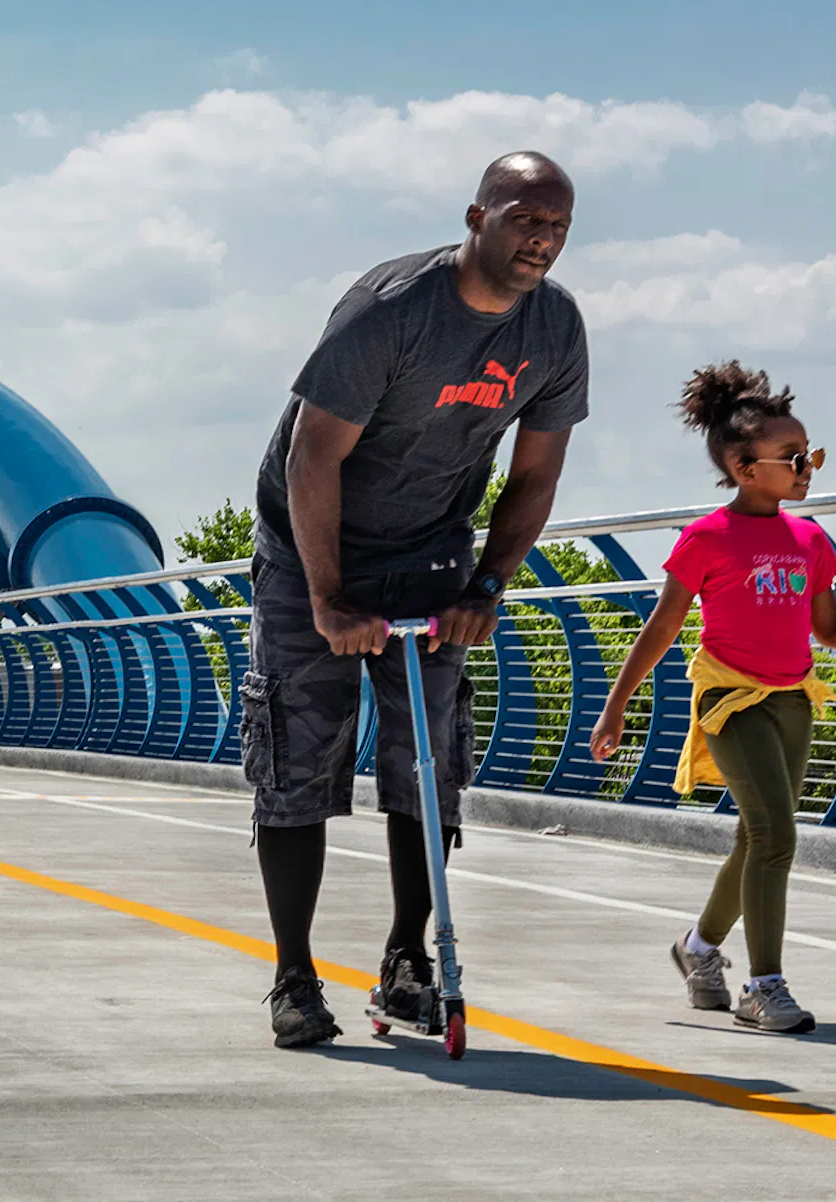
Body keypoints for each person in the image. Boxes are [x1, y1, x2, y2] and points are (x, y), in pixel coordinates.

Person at [248, 153, 589, 1049]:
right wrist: (325, 599)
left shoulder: (552, 329)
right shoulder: (392, 309)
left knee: (426, 762)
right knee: (296, 760)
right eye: (524, 220)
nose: (541, 240)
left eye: (556, 226)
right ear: (477, 216)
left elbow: (536, 473)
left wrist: (487, 586)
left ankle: (409, 961)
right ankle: (293, 976)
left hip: (431, 552)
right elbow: (311, 458)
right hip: (309, 546)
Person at [586, 365, 836, 1033]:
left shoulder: (809, 540)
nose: (808, 468)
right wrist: (616, 705)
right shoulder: (708, 538)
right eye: (794, 458)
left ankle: (696, 950)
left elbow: (829, 629)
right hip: (730, 702)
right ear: (744, 468)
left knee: (756, 839)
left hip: (792, 701)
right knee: (777, 836)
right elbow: (662, 628)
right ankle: (763, 986)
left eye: (811, 455)